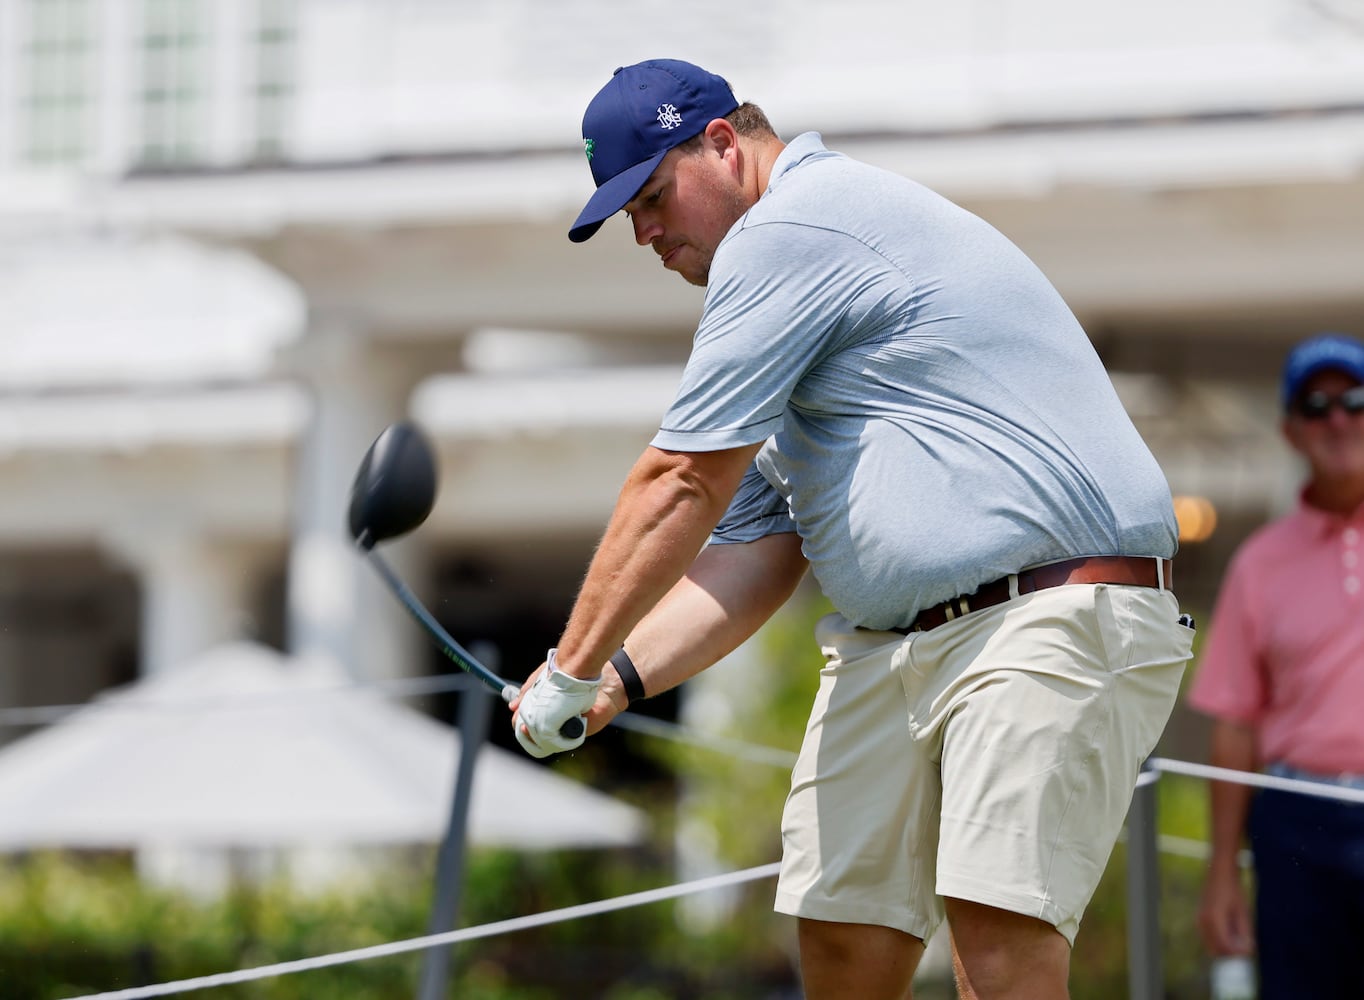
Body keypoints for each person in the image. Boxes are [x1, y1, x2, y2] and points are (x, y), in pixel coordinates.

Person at [511, 59, 1194, 999]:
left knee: (996, 944)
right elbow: (753, 550)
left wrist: (568, 666)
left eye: (655, 197)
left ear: (723, 142)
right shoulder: (784, 297)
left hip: (1047, 609)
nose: (646, 234)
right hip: (898, 645)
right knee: (844, 946)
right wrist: (613, 685)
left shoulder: (791, 230)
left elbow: (680, 482)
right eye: (628, 216)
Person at [1188, 331, 1364, 1000]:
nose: (1338, 420)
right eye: (1316, 407)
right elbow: (1235, 724)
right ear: (1291, 431)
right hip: (1299, 820)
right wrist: (1222, 871)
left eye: (1354, 400)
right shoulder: (1259, 562)